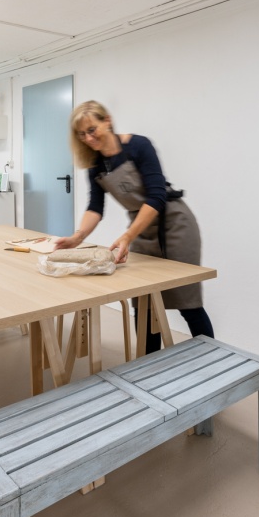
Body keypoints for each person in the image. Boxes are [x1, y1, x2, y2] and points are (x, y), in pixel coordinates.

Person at [53, 100, 214, 354]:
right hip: (142, 231)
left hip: (175, 225)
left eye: (92, 130)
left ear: (107, 121)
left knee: (187, 301)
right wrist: (78, 236)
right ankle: (149, 365)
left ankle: (212, 360)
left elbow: (157, 197)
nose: (88, 138)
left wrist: (128, 236)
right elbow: (95, 207)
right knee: (144, 303)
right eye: (82, 134)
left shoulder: (139, 146)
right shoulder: (95, 164)